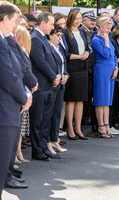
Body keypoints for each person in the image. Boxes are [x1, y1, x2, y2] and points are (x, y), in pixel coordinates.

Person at [0, 1, 32, 194]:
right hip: (5, 109)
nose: (17, 25)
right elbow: (8, 76)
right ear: (5, 19)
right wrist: (25, 96)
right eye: (15, 20)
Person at [30, 12, 61, 160]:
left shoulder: (42, 37)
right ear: (42, 23)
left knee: (46, 119)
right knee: (38, 120)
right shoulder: (35, 38)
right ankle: (37, 150)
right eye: (50, 24)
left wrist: (56, 76)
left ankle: (43, 146)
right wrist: (53, 76)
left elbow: (52, 58)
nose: (52, 27)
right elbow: (40, 61)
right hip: (40, 85)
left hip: (48, 85)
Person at [64, 8, 90, 140]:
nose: (78, 21)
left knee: (80, 100)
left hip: (83, 68)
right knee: (71, 100)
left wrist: (86, 53)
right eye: (76, 18)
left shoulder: (83, 32)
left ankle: (78, 128)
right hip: (72, 69)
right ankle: (70, 127)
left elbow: (87, 48)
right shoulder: (65, 33)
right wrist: (78, 56)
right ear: (70, 18)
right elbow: (64, 53)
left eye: (80, 18)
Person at [92, 17, 118, 138]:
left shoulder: (108, 38)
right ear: (101, 26)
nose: (109, 30)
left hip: (111, 69)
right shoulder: (96, 39)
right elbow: (106, 53)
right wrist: (106, 40)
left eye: (110, 28)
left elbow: (113, 55)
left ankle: (107, 125)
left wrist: (116, 68)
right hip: (102, 69)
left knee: (107, 101)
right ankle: (101, 126)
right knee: (100, 99)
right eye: (107, 28)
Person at [47, 24, 69, 153]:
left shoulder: (59, 48)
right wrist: (56, 76)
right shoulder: (48, 47)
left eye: (61, 35)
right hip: (53, 83)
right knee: (49, 114)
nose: (60, 38)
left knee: (57, 113)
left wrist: (66, 74)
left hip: (61, 83)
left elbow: (63, 64)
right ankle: (48, 141)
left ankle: (55, 140)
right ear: (50, 35)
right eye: (58, 35)